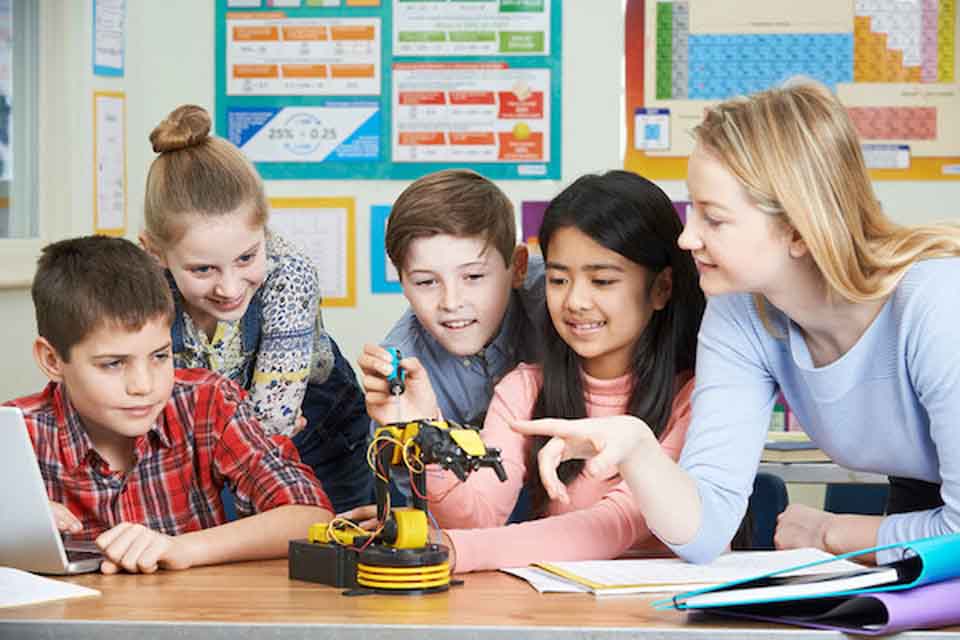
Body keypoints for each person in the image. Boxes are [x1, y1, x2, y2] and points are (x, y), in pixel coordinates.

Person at [514, 82, 960, 565]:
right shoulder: (740, 310)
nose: (687, 239)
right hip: (923, 505)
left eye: (714, 219)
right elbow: (705, 532)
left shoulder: (938, 305)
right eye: (693, 212)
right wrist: (640, 451)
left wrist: (832, 531)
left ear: (796, 229)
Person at [363, 170, 705, 573]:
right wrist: (427, 432)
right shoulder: (524, 387)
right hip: (557, 610)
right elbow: (478, 516)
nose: (575, 300)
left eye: (602, 280)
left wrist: (453, 549)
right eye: (559, 279)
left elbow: (614, 524)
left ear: (662, 288)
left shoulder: (698, 398)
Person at [5, 236, 333, 574]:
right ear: (52, 359)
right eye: (113, 364)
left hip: (194, 621)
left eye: (160, 356)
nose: (144, 386)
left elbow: (311, 516)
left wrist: (183, 548)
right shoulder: (15, 434)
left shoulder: (208, 402)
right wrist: (12, 522)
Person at [140, 105, 372, 513]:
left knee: (329, 548)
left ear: (263, 231)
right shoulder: (138, 288)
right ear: (155, 252)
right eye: (202, 269)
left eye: (247, 258)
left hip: (320, 436)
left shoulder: (290, 273)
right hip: (209, 445)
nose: (229, 287)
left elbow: (271, 427)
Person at [354, 169, 545, 506]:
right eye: (426, 282)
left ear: (517, 267)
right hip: (472, 509)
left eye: (473, 276)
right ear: (402, 281)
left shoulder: (561, 302)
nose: (452, 303)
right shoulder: (400, 372)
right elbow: (422, 503)